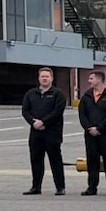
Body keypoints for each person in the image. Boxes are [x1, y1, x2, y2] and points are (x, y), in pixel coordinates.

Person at [21, 67, 66, 196]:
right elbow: (25, 111)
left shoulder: (58, 94)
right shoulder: (31, 94)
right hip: (36, 133)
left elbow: (57, 112)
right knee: (36, 160)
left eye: (47, 76)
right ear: (38, 78)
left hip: (52, 133)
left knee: (55, 160)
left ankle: (60, 187)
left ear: (52, 78)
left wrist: (43, 122)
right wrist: (33, 122)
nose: (44, 78)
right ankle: (36, 187)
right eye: (42, 76)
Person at [77, 71, 106, 197]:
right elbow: (82, 115)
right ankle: (92, 187)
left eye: (91, 78)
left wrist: (100, 128)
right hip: (90, 135)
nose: (89, 81)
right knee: (92, 161)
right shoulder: (86, 97)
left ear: (99, 80)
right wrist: (89, 127)